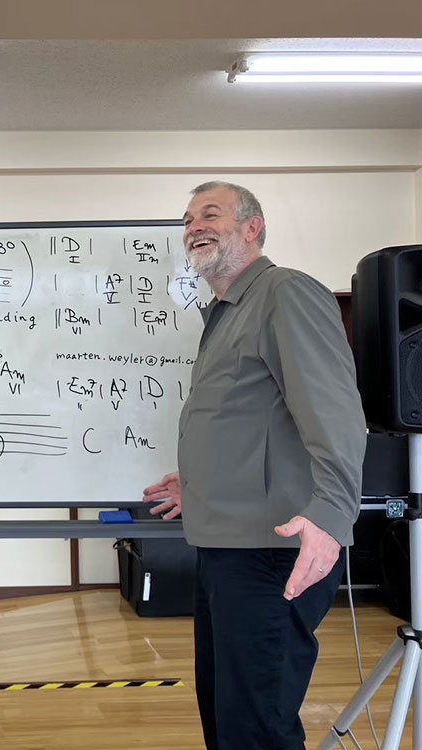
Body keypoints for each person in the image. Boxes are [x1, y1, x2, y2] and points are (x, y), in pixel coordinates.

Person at [142, 181, 366, 750]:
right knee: (227, 718)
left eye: (210, 214)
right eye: (187, 219)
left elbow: (336, 413)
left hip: (273, 554)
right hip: (226, 546)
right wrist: (198, 484)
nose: (194, 226)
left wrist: (331, 518)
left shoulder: (285, 293)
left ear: (252, 227)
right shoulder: (225, 313)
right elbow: (253, 422)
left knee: (256, 728)